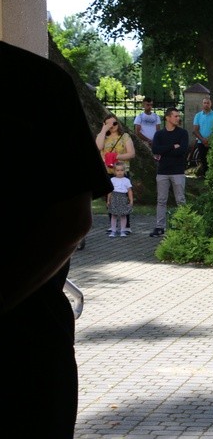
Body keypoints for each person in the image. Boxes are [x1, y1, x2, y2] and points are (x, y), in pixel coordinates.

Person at [2, 39, 112, 438]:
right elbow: (71, 221)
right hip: (28, 340)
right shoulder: (37, 81)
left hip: (22, 348)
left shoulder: (35, 83)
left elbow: (71, 221)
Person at [150, 107, 189, 237]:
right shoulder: (159, 134)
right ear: (167, 117)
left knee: (180, 199)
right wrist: (172, 146)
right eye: (175, 116)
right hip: (162, 171)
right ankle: (159, 226)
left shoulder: (183, 133)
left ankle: (183, 225)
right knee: (161, 200)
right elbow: (155, 149)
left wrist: (164, 151)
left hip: (178, 171)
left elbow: (182, 150)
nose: (178, 118)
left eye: (179, 116)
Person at [95, 113, 136, 233]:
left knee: (124, 198)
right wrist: (104, 129)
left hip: (122, 171)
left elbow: (131, 153)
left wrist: (116, 156)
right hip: (108, 171)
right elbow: (98, 147)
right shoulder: (102, 136)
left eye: (115, 123)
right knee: (110, 197)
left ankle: (126, 225)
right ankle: (112, 225)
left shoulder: (124, 136)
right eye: (110, 123)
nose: (113, 125)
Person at [192, 95, 213, 177]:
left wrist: (209, 139)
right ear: (202, 104)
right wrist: (203, 140)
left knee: (212, 160)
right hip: (201, 142)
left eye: (208, 103)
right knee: (203, 160)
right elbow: (195, 130)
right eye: (204, 103)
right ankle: (205, 176)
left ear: (211, 104)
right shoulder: (198, 115)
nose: (206, 104)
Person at [106, 162, 134, 237]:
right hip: (114, 198)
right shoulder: (112, 180)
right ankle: (113, 230)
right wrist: (108, 200)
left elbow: (129, 191)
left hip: (123, 198)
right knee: (114, 215)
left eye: (121, 170)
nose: (120, 172)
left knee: (123, 215)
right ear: (114, 171)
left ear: (124, 171)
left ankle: (123, 231)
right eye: (117, 170)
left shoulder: (126, 180)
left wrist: (131, 201)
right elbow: (110, 191)